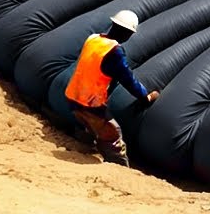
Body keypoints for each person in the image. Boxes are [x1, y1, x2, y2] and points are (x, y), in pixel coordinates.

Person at [64, 10, 159, 166]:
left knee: (87, 124)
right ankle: (118, 168)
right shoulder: (114, 51)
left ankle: (83, 146)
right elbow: (128, 79)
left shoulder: (93, 39)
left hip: (72, 95)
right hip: (90, 103)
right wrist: (145, 97)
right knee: (113, 135)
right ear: (128, 33)